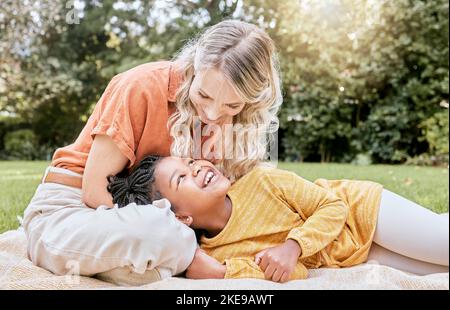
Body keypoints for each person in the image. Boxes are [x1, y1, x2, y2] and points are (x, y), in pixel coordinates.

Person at [21, 19, 283, 285]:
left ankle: (152, 261)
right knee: (157, 233)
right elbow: (94, 192)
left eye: (232, 104)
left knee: (156, 253)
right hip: (72, 210)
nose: (213, 114)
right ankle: (179, 259)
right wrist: (180, 242)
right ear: (195, 67)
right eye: (203, 95)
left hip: (149, 227)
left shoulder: (238, 120)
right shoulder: (142, 85)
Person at [107, 155, 449, 282]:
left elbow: (333, 208)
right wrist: (224, 272)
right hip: (353, 253)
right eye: (182, 178)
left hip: (362, 211)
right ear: (180, 217)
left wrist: (292, 245)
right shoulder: (219, 253)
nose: (198, 169)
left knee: (443, 242)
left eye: (190, 163)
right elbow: (293, 271)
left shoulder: (261, 181)